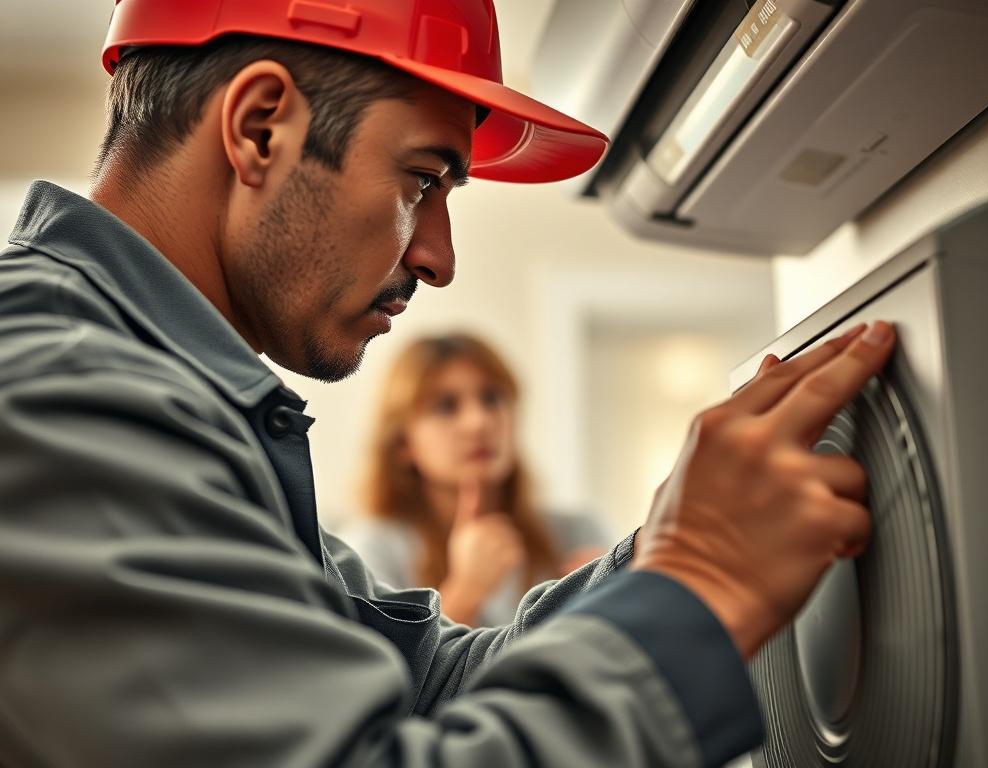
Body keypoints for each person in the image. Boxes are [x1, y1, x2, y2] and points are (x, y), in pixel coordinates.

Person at [0, 2, 894, 766]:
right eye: (421, 181)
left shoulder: (161, 390)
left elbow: (423, 682)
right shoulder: (61, 383)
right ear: (260, 126)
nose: (439, 257)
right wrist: (701, 584)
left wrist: (667, 548)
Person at [344, 333, 609, 626]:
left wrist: (623, 605)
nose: (478, 422)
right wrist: (466, 591)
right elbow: (386, 669)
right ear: (403, 443)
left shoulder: (575, 532)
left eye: (492, 398)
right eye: (445, 406)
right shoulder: (367, 550)